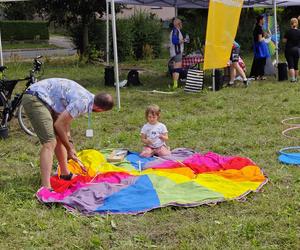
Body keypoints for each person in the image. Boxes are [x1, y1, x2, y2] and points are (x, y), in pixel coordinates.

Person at [21, 78, 114, 189]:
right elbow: (59, 125)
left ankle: (65, 174)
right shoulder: (82, 103)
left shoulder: (89, 98)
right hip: (35, 98)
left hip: (46, 99)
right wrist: (69, 148)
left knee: (60, 138)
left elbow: (65, 124)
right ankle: (46, 186)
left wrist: (70, 144)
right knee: (50, 142)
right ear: (99, 109)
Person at [250, 14, 270, 80]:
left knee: (259, 60)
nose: (264, 20)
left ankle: (257, 75)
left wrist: (266, 34)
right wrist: (264, 37)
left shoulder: (259, 27)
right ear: (260, 20)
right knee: (260, 61)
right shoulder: (258, 28)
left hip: (259, 46)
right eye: (263, 19)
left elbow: (262, 37)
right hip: (260, 46)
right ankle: (259, 75)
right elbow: (260, 39)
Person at [169, 18, 185, 90]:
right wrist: (183, 40)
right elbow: (175, 41)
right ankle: (175, 85)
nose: (182, 24)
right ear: (178, 24)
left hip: (175, 52)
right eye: (181, 23)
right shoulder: (176, 31)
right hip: (177, 52)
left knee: (175, 68)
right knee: (177, 68)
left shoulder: (176, 31)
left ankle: (175, 84)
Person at [283, 18, 300, 82]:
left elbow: (284, 40)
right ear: (297, 23)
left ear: (291, 23)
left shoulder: (288, 31)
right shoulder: (299, 31)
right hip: (297, 50)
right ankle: (296, 78)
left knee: (291, 65)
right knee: (296, 65)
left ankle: (292, 79)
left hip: (289, 50)